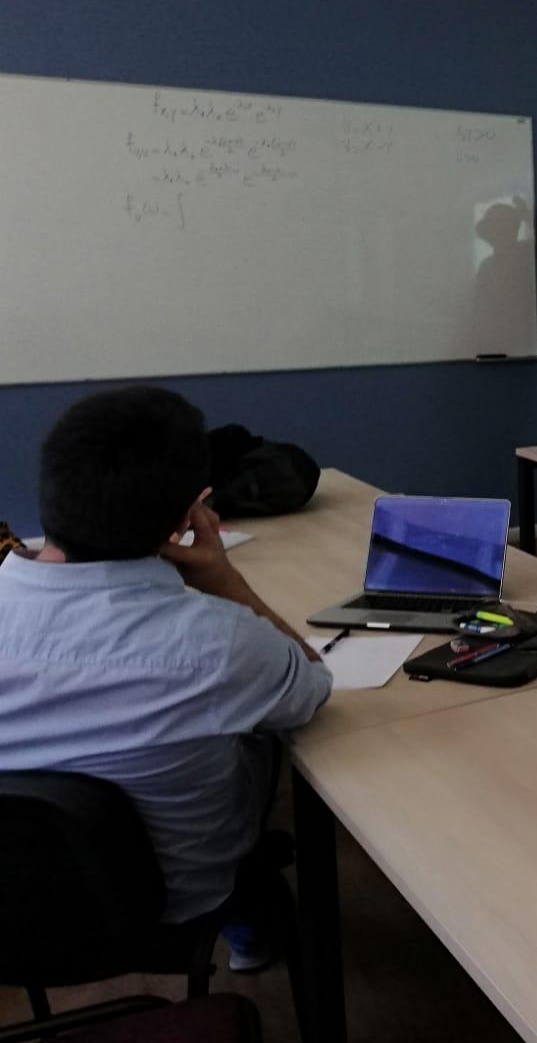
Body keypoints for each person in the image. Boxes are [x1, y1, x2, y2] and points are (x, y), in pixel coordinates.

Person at [0, 387, 330, 968]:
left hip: (8, 916)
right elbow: (308, 684)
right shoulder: (223, 643)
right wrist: (223, 580)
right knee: (262, 733)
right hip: (169, 914)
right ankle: (250, 927)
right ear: (187, 518)